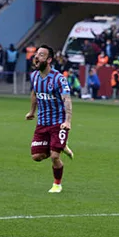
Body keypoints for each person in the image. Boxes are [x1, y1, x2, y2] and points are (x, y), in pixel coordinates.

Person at [25, 45, 75, 193]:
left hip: (58, 123)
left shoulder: (58, 78)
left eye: (41, 55)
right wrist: (31, 111)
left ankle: (57, 185)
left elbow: (67, 99)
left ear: (49, 60)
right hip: (42, 123)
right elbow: (34, 93)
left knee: (54, 156)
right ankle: (60, 145)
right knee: (36, 156)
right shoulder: (34, 76)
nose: (36, 57)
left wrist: (67, 121)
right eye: (36, 54)